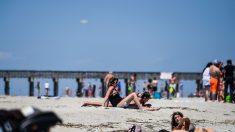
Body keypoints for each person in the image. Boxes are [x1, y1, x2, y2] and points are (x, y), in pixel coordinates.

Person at [82, 77, 160, 111]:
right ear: (113, 83)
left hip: (118, 103)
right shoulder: (111, 88)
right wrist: (105, 103)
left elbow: (113, 98)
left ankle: (87, 103)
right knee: (133, 94)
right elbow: (106, 95)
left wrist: (88, 103)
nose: (117, 83)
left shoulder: (114, 88)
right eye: (116, 82)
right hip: (119, 104)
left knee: (98, 104)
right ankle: (141, 108)